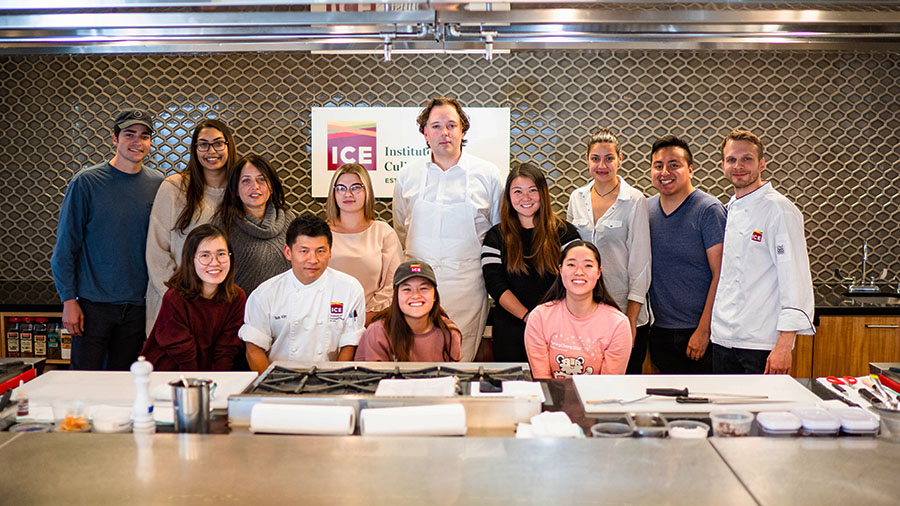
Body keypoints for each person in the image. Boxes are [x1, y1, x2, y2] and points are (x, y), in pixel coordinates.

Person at [50, 108, 164, 371]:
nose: (138, 142)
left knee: (127, 385)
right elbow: (66, 248)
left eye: (145, 136)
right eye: (129, 134)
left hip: (140, 307)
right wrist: (69, 302)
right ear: (114, 138)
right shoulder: (86, 182)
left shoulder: (159, 184)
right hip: (93, 307)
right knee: (84, 383)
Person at [393, 97, 503, 361]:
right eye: (436, 126)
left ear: (463, 130)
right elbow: (400, 230)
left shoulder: (487, 174)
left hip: (467, 283)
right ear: (425, 133)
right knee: (416, 359)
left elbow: (499, 233)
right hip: (418, 284)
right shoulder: (407, 175)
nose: (444, 132)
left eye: (451, 125)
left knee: (459, 359)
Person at [711, 130, 815, 375]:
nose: (738, 166)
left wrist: (784, 345)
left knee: (762, 413)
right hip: (724, 339)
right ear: (723, 165)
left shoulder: (779, 209)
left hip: (761, 344)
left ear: (762, 163)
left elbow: (795, 280)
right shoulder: (731, 208)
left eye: (746, 159)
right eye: (731, 160)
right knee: (723, 411)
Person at [566, 128, 650, 374]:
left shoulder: (634, 200)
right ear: (587, 160)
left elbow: (641, 263)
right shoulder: (576, 198)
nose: (602, 165)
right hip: (585, 310)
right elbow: (570, 253)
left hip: (623, 310)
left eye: (609, 158)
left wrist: (631, 320)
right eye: (595, 158)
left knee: (622, 384)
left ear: (620, 159)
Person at [239, 213, 365, 374]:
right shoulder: (265, 294)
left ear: (330, 252)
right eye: (304, 251)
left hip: (331, 381)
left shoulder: (350, 289)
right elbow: (253, 349)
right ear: (288, 252)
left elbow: (349, 344)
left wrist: (335, 380)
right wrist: (270, 387)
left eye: (321, 251)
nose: (313, 260)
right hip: (278, 381)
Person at [145, 119, 236, 335]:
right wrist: (180, 298)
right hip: (174, 304)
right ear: (194, 149)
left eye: (218, 143)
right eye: (203, 144)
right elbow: (156, 251)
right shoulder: (175, 187)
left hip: (220, 308)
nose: (211, 150)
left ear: (229, 146)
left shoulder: (240, 191)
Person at [481, 163, 580, 362]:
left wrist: (549, 319)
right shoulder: (495, 237)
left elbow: (576, 279)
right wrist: (529, 318)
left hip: (559, 327)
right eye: (518, 191)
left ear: (543, 193)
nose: (525, 198)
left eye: (532, 191)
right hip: (512, 331)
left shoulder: (565, 232)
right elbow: (496, 286)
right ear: (508, 196)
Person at [647, 135, 726, 374]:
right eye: (658, 165)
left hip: (699, 332)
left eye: (674, 165)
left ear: (690, 169)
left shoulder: (708, 210)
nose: (665, 172)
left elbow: (721, 274)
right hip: (658, 330)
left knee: (703, 406)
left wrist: (704, 330)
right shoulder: (646, 209)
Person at [140, 225, 245, 371]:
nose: (215, 262)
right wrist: (195, 387)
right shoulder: (174, 298)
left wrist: (220, 384)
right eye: (205, 255)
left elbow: (226, 351)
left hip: (208, 378)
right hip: (169, 374)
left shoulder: (236, 297)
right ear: (191, 260)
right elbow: (183, 353)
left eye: (221, 254)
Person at [524, 241, 631, 379]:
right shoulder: (539, 317)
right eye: (571, 264)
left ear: (599, 272)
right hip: (553, 398)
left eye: (588, 265)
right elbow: (543, 379)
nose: (579, 272)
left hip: (598, 399)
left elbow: (608, 385)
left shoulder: (618, 324)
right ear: (560, 270)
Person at [326, 163, 403, 324]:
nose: (348, 194)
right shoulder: (320, 233)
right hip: (325, 321)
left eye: (356, 187)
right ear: (333, 193)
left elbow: (392, 284)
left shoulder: (383, 232)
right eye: (341, 188)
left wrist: (364, 317)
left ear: (367, 190)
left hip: (372, 322)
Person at [213, 153, 294, 296]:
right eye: (245, 181)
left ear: (272, 186)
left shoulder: (290, 220)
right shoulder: (222, 225)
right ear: (236, 189)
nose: (254, 186)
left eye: (261, 180)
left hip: (287, 309)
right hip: (238, 312)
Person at [355, 261, 462, 362]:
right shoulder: (378, 332)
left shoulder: (449, 333)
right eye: (407, 289)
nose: (416, 295)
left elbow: (452, 378)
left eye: (423, 288)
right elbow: (375, 379)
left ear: (435, 296)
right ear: (396, 296)